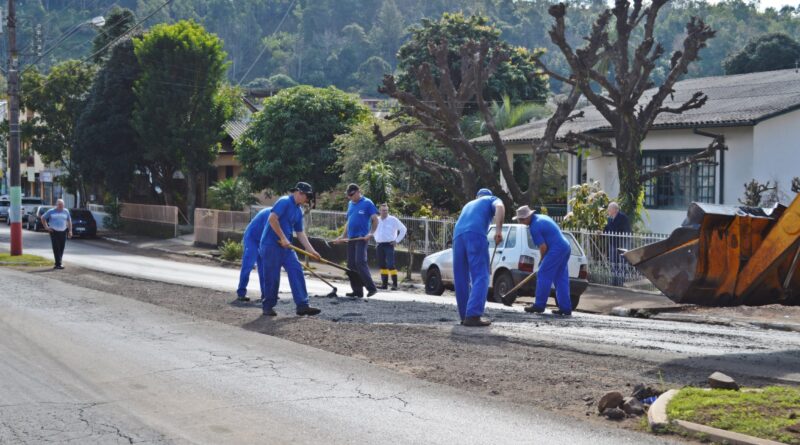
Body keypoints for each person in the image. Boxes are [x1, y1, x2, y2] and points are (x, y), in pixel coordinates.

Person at [259, 182, 322, 317]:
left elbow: (300, 233)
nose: (307, 199)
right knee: (272, 277)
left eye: (308, 197)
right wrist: (282, 237)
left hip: (286, 247)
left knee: (296, 271)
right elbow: (272, 219)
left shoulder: (298, 211)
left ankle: (302, 305)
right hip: (271, 245)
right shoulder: (284, 202)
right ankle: (268, 306)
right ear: (298, 192)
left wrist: (311, 250)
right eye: (306, 196)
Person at [452, 188, 505, 327]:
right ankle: (473, 315)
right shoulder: (491, 200)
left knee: (461, 277)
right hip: (475, 234)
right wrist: (499, 230)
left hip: (457, 236)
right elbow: (500, 207)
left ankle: (465, 316)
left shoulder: (469, 204)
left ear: (477, 196)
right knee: (481, 275)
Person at [513, 205, 572, 316]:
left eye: (521, 219)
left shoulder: (534, 226)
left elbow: (543, 247)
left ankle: (539, 305)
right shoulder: (542, 218)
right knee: (560, 278)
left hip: (557, 249)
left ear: (527, 217)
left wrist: (541, 261)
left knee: (543, 273)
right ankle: (565, 308)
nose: (520, 222)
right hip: (565, 247)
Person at [334, 183, 379, 298]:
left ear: (358, 192)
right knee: (351, 265)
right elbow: (349, 222)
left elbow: (375, 220)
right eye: (349, 195)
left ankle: (371, 288)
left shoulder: (367, 203)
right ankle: (357, 291)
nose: (350, 197)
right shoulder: (350, 204)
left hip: (362, 237)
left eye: (352, 194)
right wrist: (343, 236)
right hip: (351, 238)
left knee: (360, 262)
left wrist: (371, 234)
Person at [236, 206, 272, 302]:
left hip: (261, 240)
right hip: (252, 238)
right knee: (248, 265)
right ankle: (241, 293)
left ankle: (265, 295)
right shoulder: (271, 214)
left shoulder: (281, 216)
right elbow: (269, 234)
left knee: (263, 268)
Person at [374, 203, 407, 290]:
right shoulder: (376, 220)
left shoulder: (393, 220)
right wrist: (376, 239)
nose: (384, 212)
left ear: (388, 211)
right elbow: (372, 230)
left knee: (391, 264)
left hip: (389, 245)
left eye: (386, 210)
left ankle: (395, 285)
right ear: (379, 211)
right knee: (382, 265)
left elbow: (403, 229)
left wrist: (397, 240)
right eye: (383, 210)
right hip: (379, 245)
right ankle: (384, 285)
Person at [603, 202, 632, 287]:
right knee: (613, 262)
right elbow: (607, 229)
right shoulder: (609, 219)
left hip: (621, 244)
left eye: (609, 209)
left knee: (621, 263)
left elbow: (627, 231)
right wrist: (602, 232)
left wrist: (624, 240)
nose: (608, 210)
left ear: (615, 209)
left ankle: (621, 281)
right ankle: (614, 280)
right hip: (613, 244)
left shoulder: (623, 218)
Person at [41, 199, 72, 270]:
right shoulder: (51, 211)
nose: (61, 206)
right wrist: (46, 227)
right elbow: (43, 218)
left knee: (61, 247)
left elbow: (69, 221)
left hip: (63, 231)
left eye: (62, 205)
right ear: (56, 205)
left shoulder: (66, 211)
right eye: (59, 205)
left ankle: (59, 262)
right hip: (54, 231)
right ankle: (58, 264)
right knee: (56, 247)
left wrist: (70, 231)